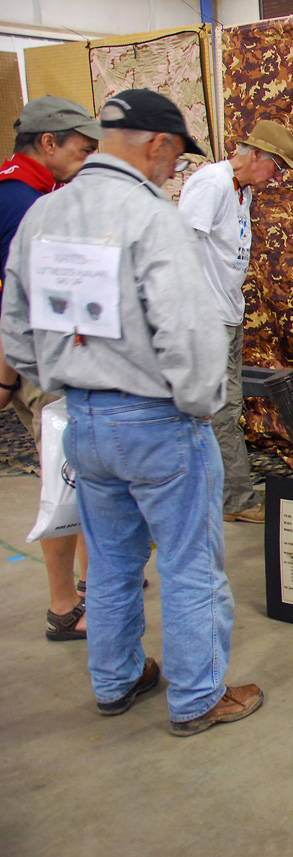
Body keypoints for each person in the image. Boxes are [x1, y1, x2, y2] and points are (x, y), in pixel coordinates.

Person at [1, 89, 263, 736]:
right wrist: (196, 408)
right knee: (188, 562)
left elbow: (13, 331)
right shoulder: (154, 219)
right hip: (157, 423)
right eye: (175, 159)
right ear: (157, 145)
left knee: (114, 563)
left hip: (82, 422)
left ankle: (116, 680)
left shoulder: (42, 216)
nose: (175, 171)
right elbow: (188, 332)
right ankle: (198, 695)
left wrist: (70, 387)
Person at [0, 96, 100, 641]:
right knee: (64, 481)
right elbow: (18, 299)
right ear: (48, 144)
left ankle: (91, 583)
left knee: (77, 474)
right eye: (81, 150)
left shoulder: (33, 193)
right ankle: (65, 604)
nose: (86, 160)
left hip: (48, 354)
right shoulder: (21, 202)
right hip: (40, 362)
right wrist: (9, 374)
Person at [178, 119, 293, 525]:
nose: (277, 176)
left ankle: (227, 493)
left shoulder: (241, 191)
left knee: (225, 408)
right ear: (255, 155)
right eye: (276, 166)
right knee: (223, 409)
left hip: (227, 312)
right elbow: (184, 247)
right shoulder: (212, 184)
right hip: (208, 316)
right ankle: (235, 499)